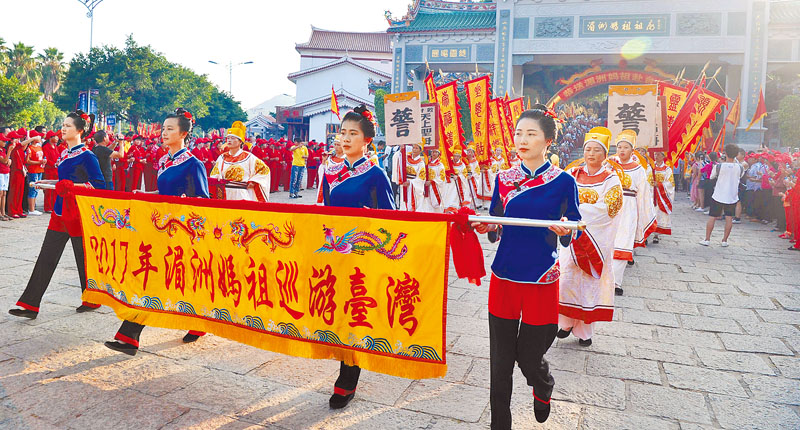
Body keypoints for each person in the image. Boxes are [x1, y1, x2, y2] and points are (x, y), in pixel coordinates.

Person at [473, 106, 581, 428]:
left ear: (548, 140)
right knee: (500, 362)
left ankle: (542, 382)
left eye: (531, 134)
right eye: (519, 133)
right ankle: (500, 424)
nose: (522, 139)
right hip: (504, 275)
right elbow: (496, 223)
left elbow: (574, 225)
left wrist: (567, 229)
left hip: (541, 277)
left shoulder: (563, 182)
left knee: (530, 355)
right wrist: (487, 227)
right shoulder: (503, 179)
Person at [104, 108, 210, 356]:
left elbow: (203, 202)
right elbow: (164, 194)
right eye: (163, 128)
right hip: (160, 229)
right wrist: (144, 195)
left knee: (166, 280)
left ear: (184, 133)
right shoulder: (164, 161)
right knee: (163, 280)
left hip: (182, 234)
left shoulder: (193, 164)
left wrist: (182, 211)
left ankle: (129, 335)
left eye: (170, 129)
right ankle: (195, 322)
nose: (164, 133)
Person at [320, 105, 395, 409]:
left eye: (354, 133)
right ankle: (344, 364)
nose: (346, 138)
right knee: (336, 312)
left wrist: (369, 222)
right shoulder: (331, 171)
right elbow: (324, 211)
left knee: (355, 314)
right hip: (335, 253)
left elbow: (389, 218)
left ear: (367, 140)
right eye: (343, 132)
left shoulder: (376, 174)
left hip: (362, 256)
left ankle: (346, 380)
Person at [8, 111, 106, 319]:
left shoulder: (88, 156)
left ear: (80, 130)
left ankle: (92, 298)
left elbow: (98, 185)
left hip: (78, 214)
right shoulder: (64, 154)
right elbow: (63, 183)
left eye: (68, 126)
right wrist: (47, 184)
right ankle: (30, 304)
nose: (63, 129)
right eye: (63, 125)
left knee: (84, 259)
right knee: (46, 257)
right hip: (60, 213)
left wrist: (70, 186)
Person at [558, 126, 622, 346]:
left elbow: (610, 208)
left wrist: (577, 213)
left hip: (595, 238)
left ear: (604, 155)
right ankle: (565, 322)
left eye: (596, 150)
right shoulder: (571, 175)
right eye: (588, 149)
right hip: (571, 238)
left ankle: (584, 331)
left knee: (589, 281)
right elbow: (560, 198)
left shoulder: (611, 180)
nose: (591, 153)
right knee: (567, 277)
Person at [609, 130, 656, 296]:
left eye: (626, 147)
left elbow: (643, 193)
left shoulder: (638, 169)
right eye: (619, 147)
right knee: (608, 243)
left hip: (628, 209)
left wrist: (643, 214)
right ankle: (605, 279)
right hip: (610, 208)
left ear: (632, 150)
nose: (622, 150)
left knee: (623, 243)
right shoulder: (609, 166)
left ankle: (616, 282)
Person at [209, 121, 271, 202]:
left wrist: (254, 181)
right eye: (228, 138)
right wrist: (216, 177)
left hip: (241, 193)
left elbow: (264, 170)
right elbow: (215, 173)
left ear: (240, 141)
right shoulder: (222, 157)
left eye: (233, 138)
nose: (229, 140)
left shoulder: (248, 157)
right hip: (224, 193)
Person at [700, 144, 745, 247]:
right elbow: (741, 176)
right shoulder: (740, 167)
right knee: (729, 217)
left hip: (719, 195)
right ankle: (724, 240)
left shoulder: (719, 166)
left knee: (712, 217)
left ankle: (707, 239)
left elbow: (711, 177)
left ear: (725, 153)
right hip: (732, 196)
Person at [393, 143, 426, 212]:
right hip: (405, 182)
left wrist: (411, 182)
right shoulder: (407, 158)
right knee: (403, 201)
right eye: (413, 147)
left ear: (420, 151)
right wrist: (401, 150)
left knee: (412, 202)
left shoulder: (421, 163)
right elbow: (398, 158)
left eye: (416, 148)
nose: (414, 150)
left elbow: (421, 178)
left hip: (413, 185)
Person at [652, 151, 675, 243]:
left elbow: (671, 183)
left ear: (663, 156)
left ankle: (656, 234)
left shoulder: (667, 169)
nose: (656, 156)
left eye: (658, 154)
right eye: (655, 154)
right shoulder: (650, 166)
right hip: (651, 194)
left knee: (659, 213)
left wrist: (659, 185)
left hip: (661, 195)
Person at [25, 133, 46, 215]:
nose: (40, 138)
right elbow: (28, 161)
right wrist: (39, 162)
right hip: (33, 170)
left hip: (40, 169)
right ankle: (31, 209)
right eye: (38, 136)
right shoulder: (30, 148)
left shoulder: (39, 147)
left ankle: (33, 207)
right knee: (32, 189)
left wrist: (43, 161)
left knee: (36, 189)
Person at [42, 131, 61, 213]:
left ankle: (54, 206)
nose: (57, 138)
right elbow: (46, 159)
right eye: (55, 137)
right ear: (50, 138)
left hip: (56, 170)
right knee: (49, 189)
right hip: (49, 170)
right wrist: (53, 164)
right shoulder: (46, 147)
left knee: (55, 189)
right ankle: (48, 207)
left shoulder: (55, 147)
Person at [0, 133, 11, 221]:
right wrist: (10, 151)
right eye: (3, 141)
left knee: (4, 193)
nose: (5, 142)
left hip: (5, 172)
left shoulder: (3, 150)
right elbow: (4, 160)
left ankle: (3, 212)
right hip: (1, 172)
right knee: (0, 193)